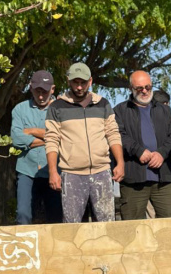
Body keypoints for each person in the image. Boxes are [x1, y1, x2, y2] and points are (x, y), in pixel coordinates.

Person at [45, 62, 124, 223]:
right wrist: (53, 171)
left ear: (90, 81)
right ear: (68, 81)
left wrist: (120, 163)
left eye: (83, 82)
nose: (79, 87)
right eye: (76, 82)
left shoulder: (103, 104)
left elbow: (113, 134)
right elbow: (52, 139)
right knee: (71, 226)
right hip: (72, 174)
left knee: (107, 225)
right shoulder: (57, 107)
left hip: (102, 171)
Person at [117, 80, 171, 219]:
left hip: (164, 179)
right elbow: (117, 136)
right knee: (132, 226)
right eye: (140, 88)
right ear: (131, 88)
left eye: (147, 87)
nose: (144, 91)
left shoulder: (165, 110)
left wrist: (162, 153)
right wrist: (138, 151)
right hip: (133, 180)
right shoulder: (120, 110)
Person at [10, 70, 63, 224]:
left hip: (54, 171)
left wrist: (32, 131)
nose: (40, 96)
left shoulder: (61, 109)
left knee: (56, 217)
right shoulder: (20, 109)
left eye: (44, 92)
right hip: (27, 171)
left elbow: (65, 137)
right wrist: (52, 139)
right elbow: (16, 139)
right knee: (23, 215)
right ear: (30, 87)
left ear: (52, 89)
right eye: (37, 91)